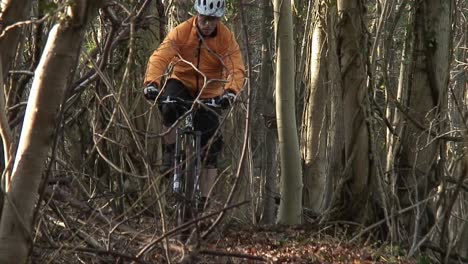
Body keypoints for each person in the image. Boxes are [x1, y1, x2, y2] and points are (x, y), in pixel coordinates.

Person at [143, 0, 245, 201]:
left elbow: (236, 67)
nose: (207, 24)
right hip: (181, 82)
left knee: (211, 147)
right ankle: (171, 153)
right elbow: (160, 57)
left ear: (219, 19)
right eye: (204, 18)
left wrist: (230, 92)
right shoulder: (181, 31)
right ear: (196, 15)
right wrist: (151, 83)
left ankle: (203, 200)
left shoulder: (226, 38)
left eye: (213, 20)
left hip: (209, 91)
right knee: (169, 107)